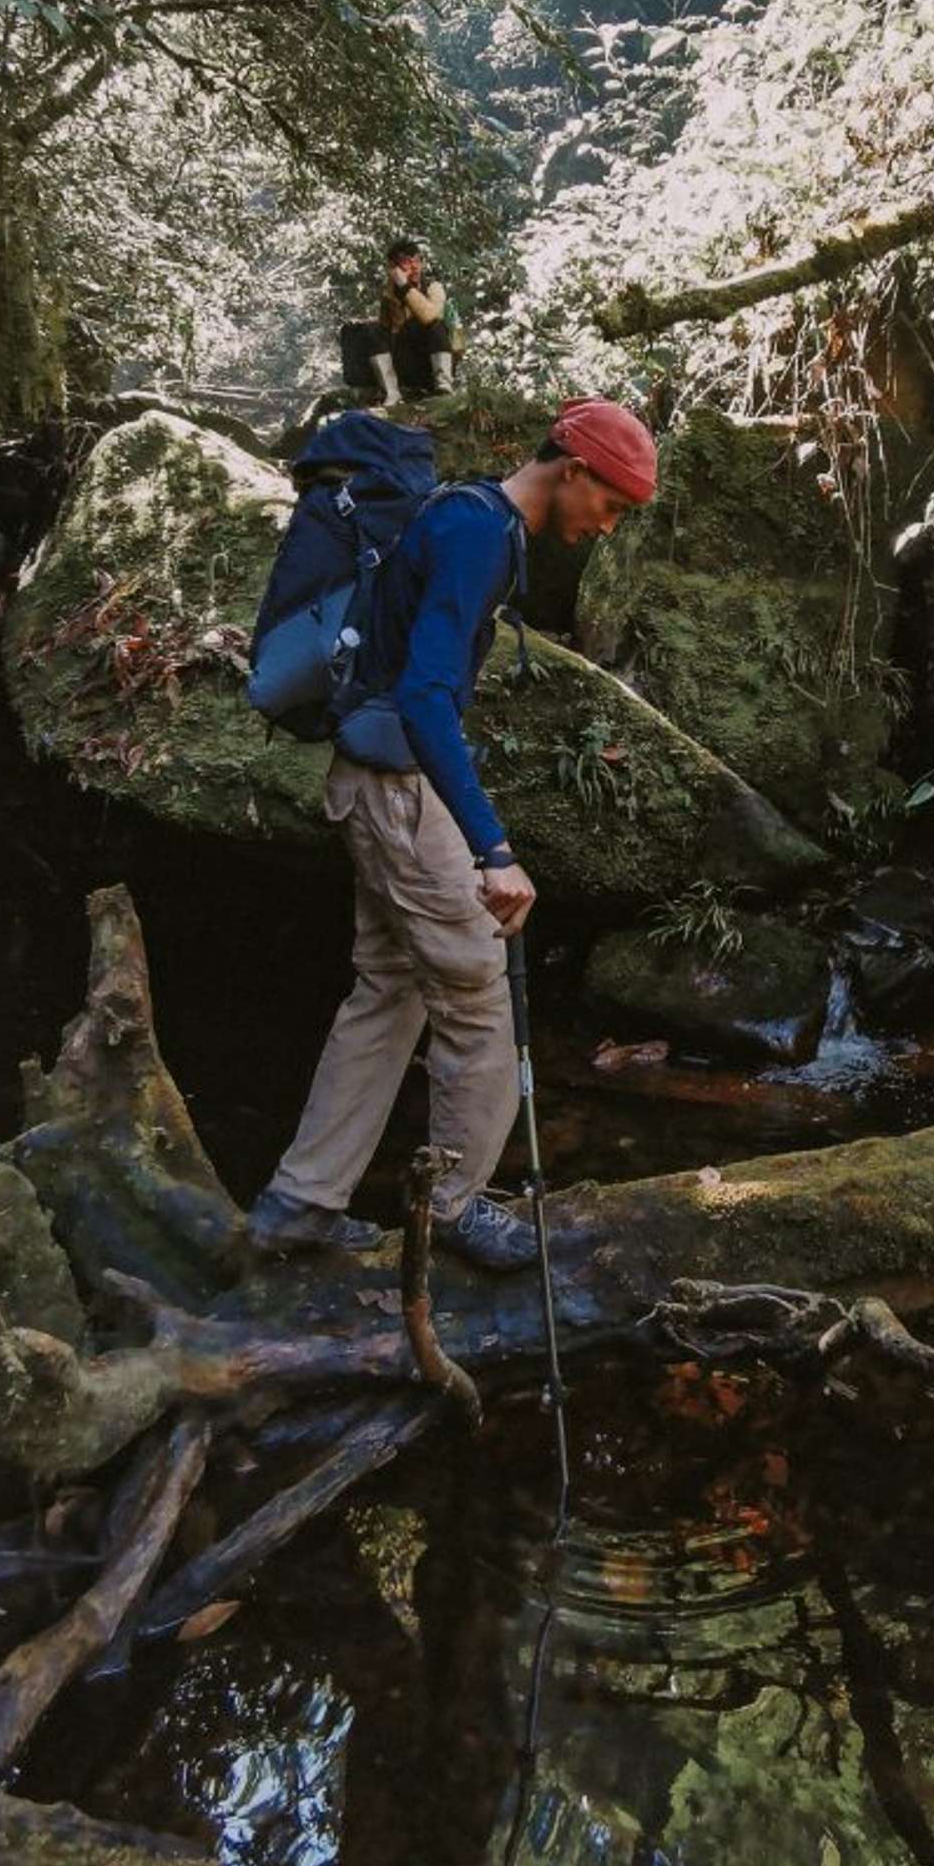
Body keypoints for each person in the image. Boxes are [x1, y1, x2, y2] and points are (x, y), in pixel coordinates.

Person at [246, 396, 658, 1270]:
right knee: (475, 994)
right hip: (396, 791)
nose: (605, 527)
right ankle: (459, 1204)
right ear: (573, 470)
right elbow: (427, 695)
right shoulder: (478, 533)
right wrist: (493, 849)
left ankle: (300, 1203)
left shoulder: (471, 516)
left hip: (378, 781)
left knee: (388, 988)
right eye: (610, 505)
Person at [370, 238, 461, 404]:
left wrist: (405, 287)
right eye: (407, 263)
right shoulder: (389, 294)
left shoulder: (434, 288)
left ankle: (443, 385)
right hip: (406, 361)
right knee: (373, 332)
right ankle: (391, 392)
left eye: (417, 261)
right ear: (394, 268)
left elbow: (429, 316)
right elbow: (388, 330)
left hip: (431, 358)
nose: (415, 267)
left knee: (435, 325)